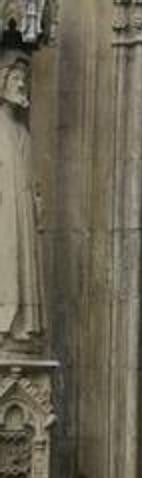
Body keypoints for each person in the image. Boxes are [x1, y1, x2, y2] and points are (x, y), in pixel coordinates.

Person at [0, 50, 45, 355]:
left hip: (23, 218)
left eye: (25, 79)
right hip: (5, 217)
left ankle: (22, 324)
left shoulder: (23, 134)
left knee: (23, 265)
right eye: (16, 78)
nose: (22, 85)